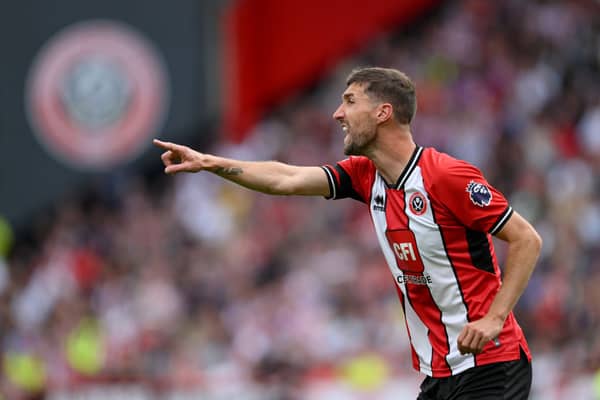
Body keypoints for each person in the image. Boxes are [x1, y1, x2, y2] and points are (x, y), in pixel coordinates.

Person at [154, 67, 542, 400]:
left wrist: (495, 318)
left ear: (383, 112)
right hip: (440, 372)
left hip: (492, 362)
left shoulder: (446, 176)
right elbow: (286, 178)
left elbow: (527, 239)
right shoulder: (364, 175)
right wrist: (209, 162)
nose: (338, 113)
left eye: (350, 101)